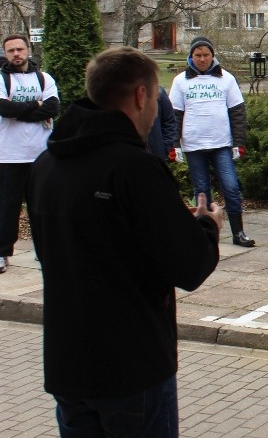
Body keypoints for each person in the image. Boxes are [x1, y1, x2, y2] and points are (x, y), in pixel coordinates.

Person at [27, 46, 221, 437]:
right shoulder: (135, 168)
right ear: (140, 95)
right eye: (156, 100)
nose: (156, 112)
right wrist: (207, 226)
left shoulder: (46, 165)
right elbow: (189, 265)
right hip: (132, 366)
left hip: (68, 362)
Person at [170, 36, 255, 247]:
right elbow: (175, 116)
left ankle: (238, 233)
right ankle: (205, 236)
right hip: (194, 145)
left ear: (212, 56)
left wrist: (238, 142)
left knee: (231, 187)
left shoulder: (226, 79)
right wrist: (175, 145)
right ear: (191, 56)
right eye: (197, 55)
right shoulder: (180, 81)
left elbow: (237, 113)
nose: (202, 59)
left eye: (206, 55)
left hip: (221, 144)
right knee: (202, 191)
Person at [0, 34, 58, 274]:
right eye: (11, 50)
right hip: (8, 155)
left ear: (28, 50)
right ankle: (2, 252)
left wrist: (19, 112)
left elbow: (52, 107)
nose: (16, 54)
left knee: (42, 207)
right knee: (7, 208)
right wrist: (36, 106)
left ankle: (44, 252)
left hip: (40, 156)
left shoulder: (44, 79)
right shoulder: (2, 79)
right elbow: (4, 108)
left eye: (19, 49)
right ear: (5, 54)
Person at [146, 86, 176, 160]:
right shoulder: (121, 95)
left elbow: (169, 120)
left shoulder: (158, 92)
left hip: (156, 155)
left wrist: (165, 147)